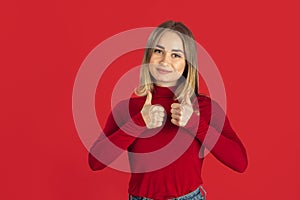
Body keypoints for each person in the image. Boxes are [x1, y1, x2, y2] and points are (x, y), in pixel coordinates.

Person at [88, 20, 248, 200]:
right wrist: (138, 122)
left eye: (176, 55)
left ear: (188, 63)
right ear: (149, 56)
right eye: (158, 51)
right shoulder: (128, 109)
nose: (165, 61)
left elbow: (240, 162)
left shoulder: (204, 108)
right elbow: (95, 162)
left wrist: (195, 124)